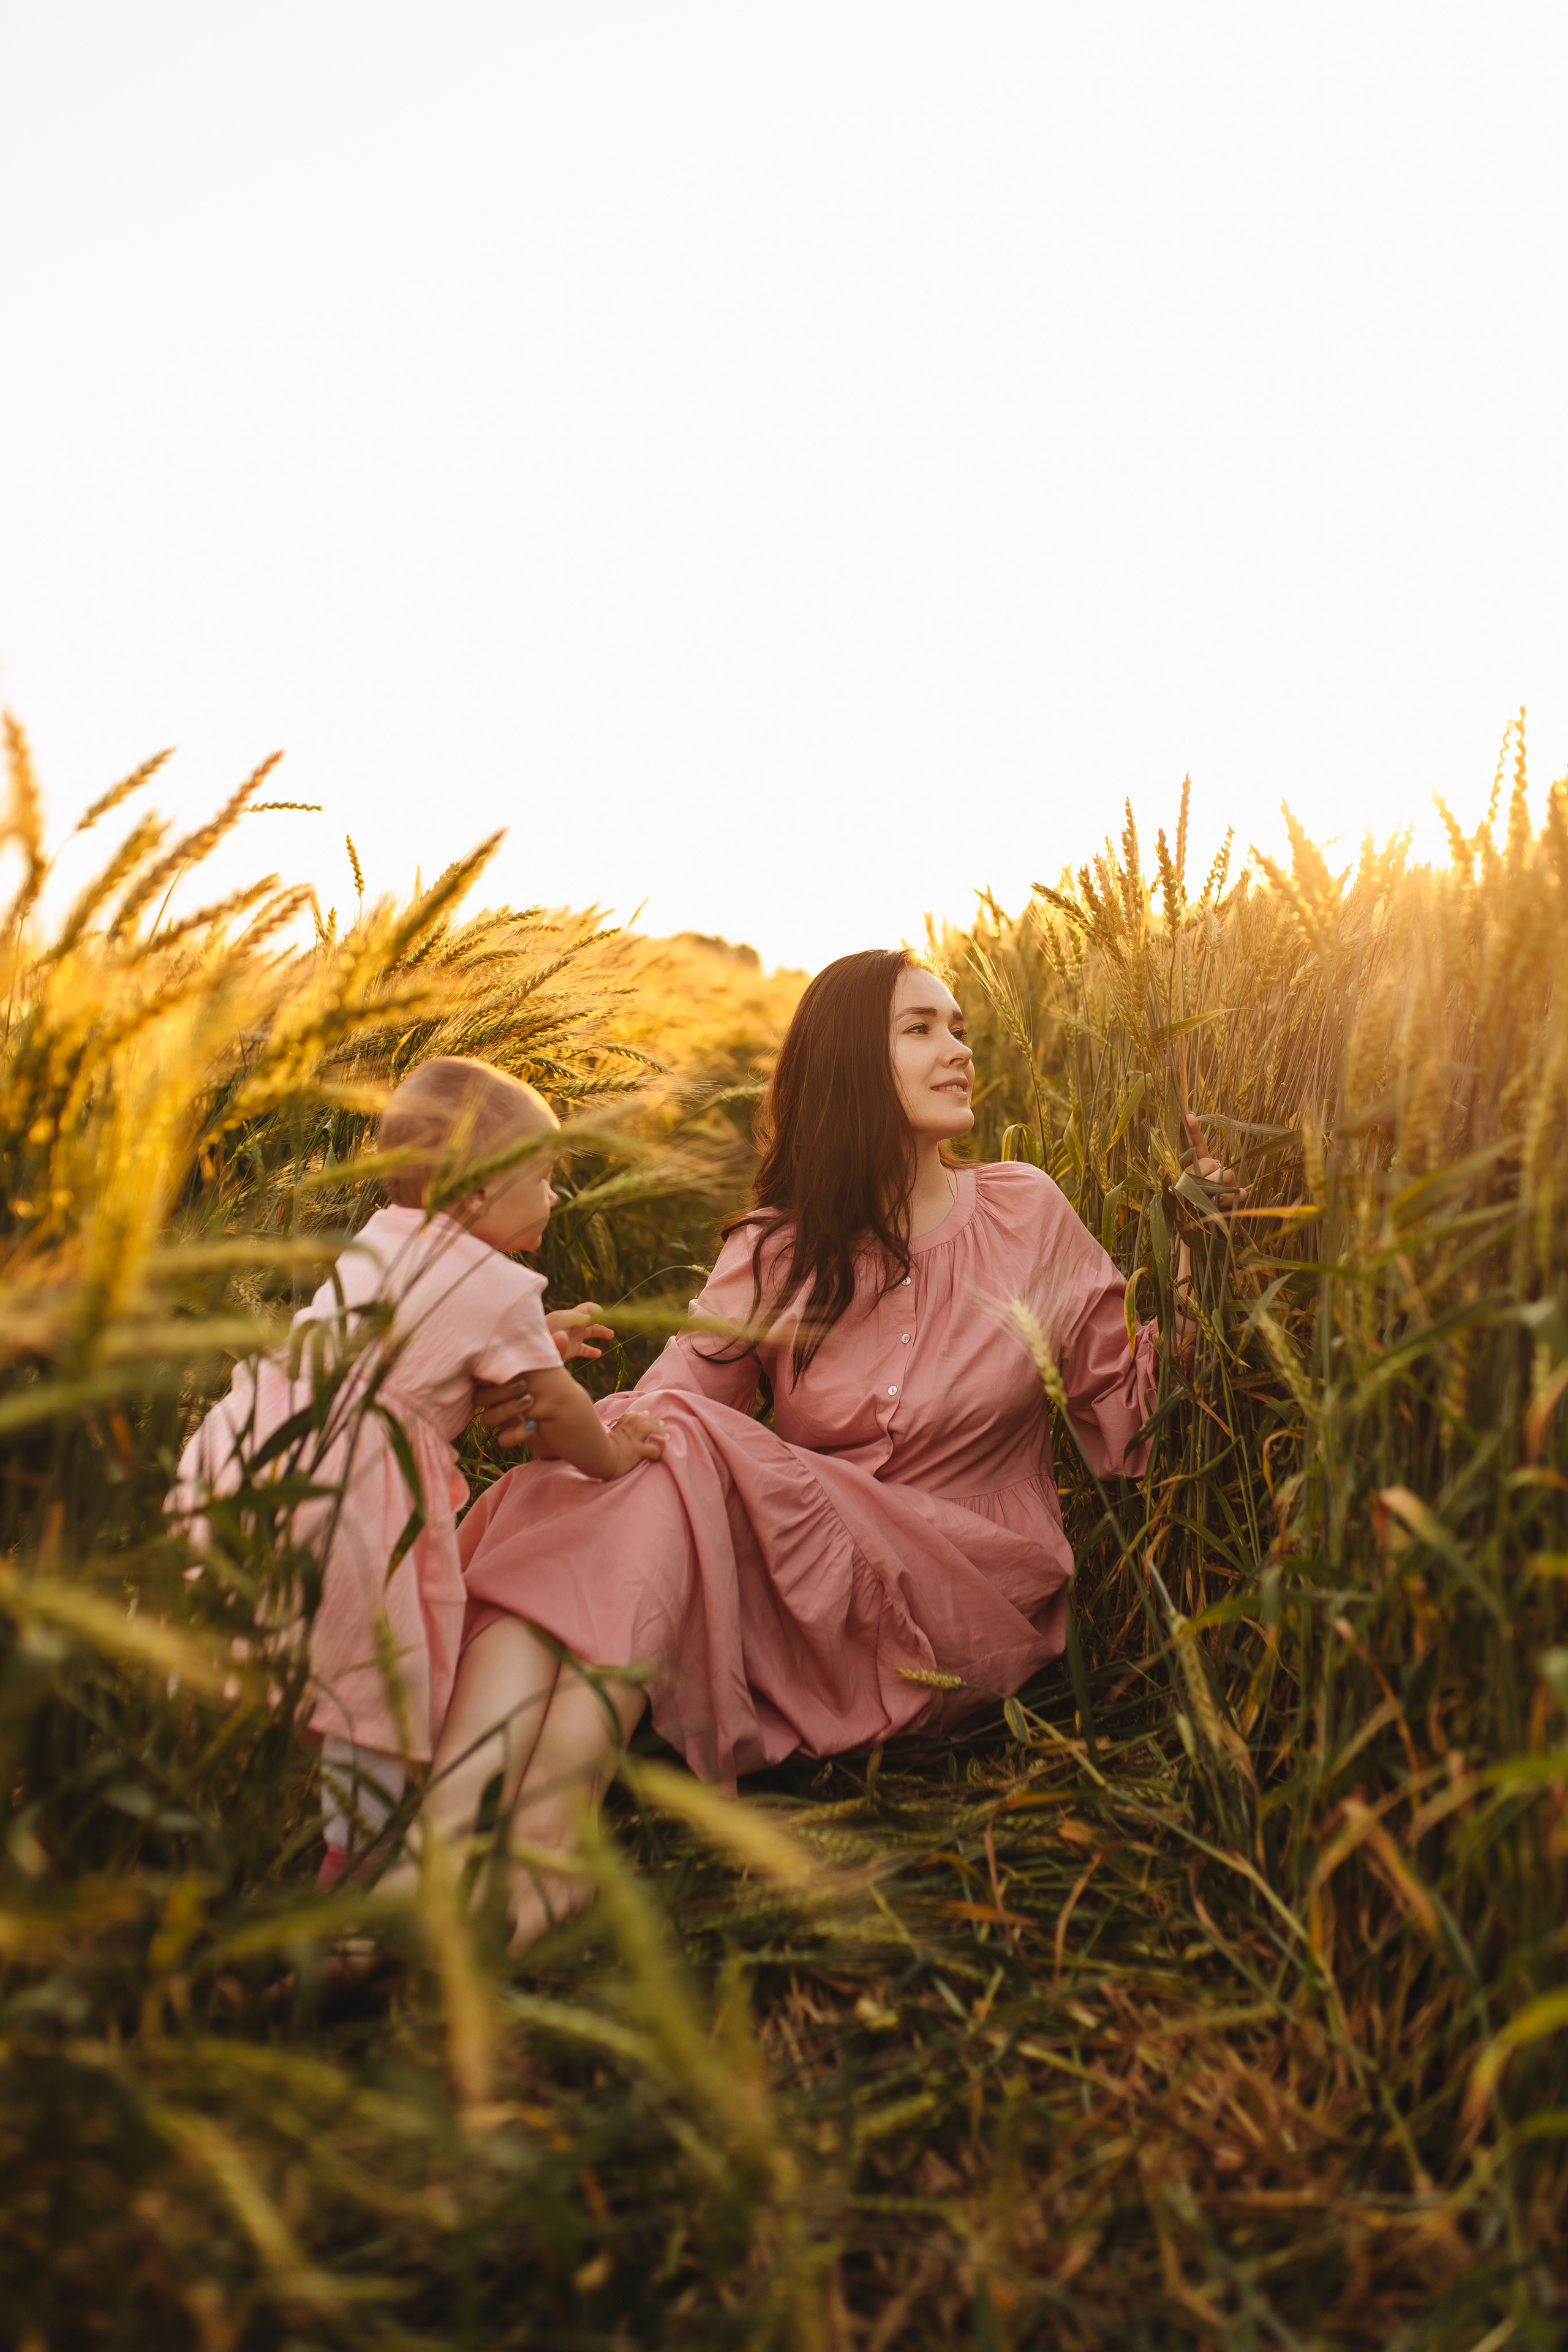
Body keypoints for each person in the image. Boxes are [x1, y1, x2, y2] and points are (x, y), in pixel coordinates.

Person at [405, 951, 1227, 1951]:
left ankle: (516, 1841)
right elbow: (664, 1409)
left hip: (965, 1600)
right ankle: (449, 1854)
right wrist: (540, 1405)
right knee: (625, 1454)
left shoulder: (1027, 1213)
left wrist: (1202, 1263)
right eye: (920, 1029)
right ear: (848, 1062)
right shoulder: (782, 1248)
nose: (958, 1051)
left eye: (959, 1027)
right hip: (809, 1597)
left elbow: (1129, 1425)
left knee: (659, 1448)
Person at [168, 1054, 666, 1883]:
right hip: (360, 1487)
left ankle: (228, 1788)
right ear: (476, 1194)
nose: (553, 1197)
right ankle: (357, 1853)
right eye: (541, 1179)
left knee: (295, 1629)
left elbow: (429, 1327)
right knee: (374, 1671)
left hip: (267, 1443)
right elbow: (561, 1412)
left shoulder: (384, 1236)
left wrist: (535, 1336)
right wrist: (613, 1454)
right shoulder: (499, 1289)